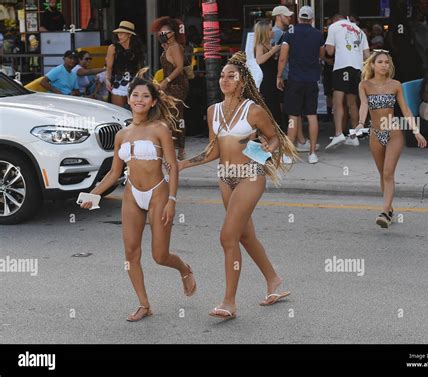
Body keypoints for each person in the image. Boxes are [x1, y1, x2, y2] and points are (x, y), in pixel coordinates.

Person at [179, 52, 298, 319]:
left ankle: (229, 302)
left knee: (227, 237)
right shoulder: (213, 111)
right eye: (222, 75)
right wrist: (183, 164)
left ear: (242, 81)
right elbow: (213, 151)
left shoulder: (253, 110)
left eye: (231, 76)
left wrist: (268, 148)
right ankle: (273, 279)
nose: (224, 79)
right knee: (244, 236)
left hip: (250, 175)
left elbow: (274, 137)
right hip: (225, 177)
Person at [80, 69, 196, 322]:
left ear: (153, 101)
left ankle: (184, 269)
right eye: (135, 95)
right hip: (132, 193)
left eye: (145, 96)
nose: (139, 99)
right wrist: (93, 194)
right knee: (131, 254)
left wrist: (172, 201)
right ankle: (144, 304)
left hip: (158, 194)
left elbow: (173, 166)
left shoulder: (160, 129)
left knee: (160, 255)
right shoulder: (122, 134)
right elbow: (113, 173)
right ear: (129, 99)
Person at [356, 50, 427, 228]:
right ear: (372, 65)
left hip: (393, 130)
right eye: (380, 62)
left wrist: (416, 131)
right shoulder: (364, 85)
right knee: (383, 175)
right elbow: (364, 105)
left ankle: (384, 212)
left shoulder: (395, 85)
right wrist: (359, 123)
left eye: (386, 62)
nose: (384, 65)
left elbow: (406, 110)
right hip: (375, 133)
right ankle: (389, 209)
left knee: (388, 172)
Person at [277, 5, 325, 164]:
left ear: (298, 18)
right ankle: (312, 154)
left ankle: (289, 154)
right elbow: (321, 55)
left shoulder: (290, 33)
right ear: (311, 19)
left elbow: (283, 58)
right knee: (312, 116)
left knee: (293, 116)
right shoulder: (318, 34)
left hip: (295, 80)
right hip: (311, 80)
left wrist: (279, 75)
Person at [325, 14, 370, 150]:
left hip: (342, 66)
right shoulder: (359, 30)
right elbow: (367, 55)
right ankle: (354, 137)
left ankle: (338, 133)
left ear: (335, 20)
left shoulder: (334, 27)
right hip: (357, 69)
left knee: (338, 101)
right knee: (352, 103)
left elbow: (329, 50)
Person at [151, 16, 189, 161]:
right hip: (170, 84)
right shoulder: (170, 46)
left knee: (175, 115)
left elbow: (179, 67)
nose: (162, 36)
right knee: (171, 115)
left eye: (165, 33)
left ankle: (179, 148)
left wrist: (166, 80)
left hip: (176, 85)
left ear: (173, 33)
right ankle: (175, 146)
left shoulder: (175, 47)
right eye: (160, 33)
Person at [105, 21, 145, 108]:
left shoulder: (136, 48)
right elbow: (109, 66)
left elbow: (140, 67)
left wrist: (142, 82)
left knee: (135, 112)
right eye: (118, 33)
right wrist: (107, 79)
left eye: (122, 33)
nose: (119, 35)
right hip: (118, 83)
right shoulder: (113, 47)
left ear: (129, 34)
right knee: (118, 112)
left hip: (134, 82)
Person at [271, 5, 294, 135]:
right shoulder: (278, 33)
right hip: (283, 73)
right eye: (286, 16)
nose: (289, 18)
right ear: (278, 16)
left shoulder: (277, 32)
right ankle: (284, 130)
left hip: (282, 73)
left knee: (283, 102)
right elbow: (278, 56)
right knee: (285, 104)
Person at [254, 20, 281, 125]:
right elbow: (259, 60)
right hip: (266, 79)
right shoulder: (260, 45)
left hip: (273, 78)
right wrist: (273, 51)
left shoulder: (270, 44)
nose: (273, 31)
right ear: (264, 32)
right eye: (270, 29)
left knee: (275, 104)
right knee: (269, 104)